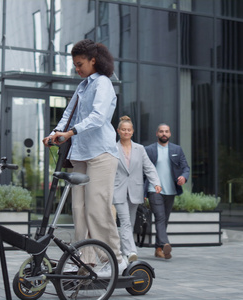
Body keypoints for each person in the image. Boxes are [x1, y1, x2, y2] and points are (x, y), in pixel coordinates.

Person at [42, 39, 126, 273]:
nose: (77, 69)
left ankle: (115, 260)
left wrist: (70, 132)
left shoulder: (103, 84)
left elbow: (99, 116)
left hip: (101, 153)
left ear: (93, 61)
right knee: (79, 209)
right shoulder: (82, 87)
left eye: (80, 65)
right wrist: (53, 134)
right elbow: (68, 115)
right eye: (75, 66)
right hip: (80, 155)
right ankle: (85, 261)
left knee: (97, 208)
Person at [113, 116, 161, 263]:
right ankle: (131, 252)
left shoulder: (140, 149)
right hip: (118, 190)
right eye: (123, 129)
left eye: (129, 130)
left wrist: (156, 183)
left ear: (132, 131)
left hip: (135, 190)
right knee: (125, 221)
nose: (126, 132)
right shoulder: (112, 148)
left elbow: (149, 167)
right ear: (118, 131)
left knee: (131, 223)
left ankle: (122, 252)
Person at [145, 123, 190, 259]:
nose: (164, 134)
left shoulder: (177, 149)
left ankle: (158, 249)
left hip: (171, 190)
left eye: (166, 131)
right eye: (161, 131)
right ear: (157, 134)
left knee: (164, 220)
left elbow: (185, 167)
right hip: (154, 189)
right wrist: (143, 192)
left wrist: (184, 177)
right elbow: (143, 170)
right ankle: (165, 244)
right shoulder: (149, 150)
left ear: (170, 134)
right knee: (160, 217)